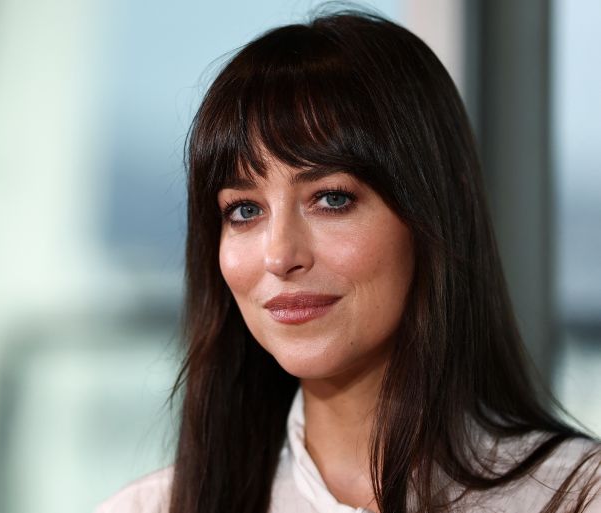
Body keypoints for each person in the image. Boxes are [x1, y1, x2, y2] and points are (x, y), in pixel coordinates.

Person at [96, 9, 601, 513]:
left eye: (331, 199)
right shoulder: (154, 508)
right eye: (245, 210)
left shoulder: (575, 496)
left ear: (432, 214)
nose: (279, 255)